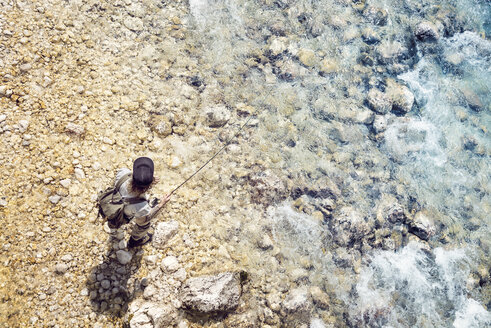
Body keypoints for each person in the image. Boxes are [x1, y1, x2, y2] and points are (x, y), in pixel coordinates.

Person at [113, 157, 170, 248]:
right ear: (148, 186)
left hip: (114, 201)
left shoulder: (123, 173)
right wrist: (161, 204)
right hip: (124, 214)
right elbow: (144, 220)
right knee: (144, 225)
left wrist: (148, 181)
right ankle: (135, 241)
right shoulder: (141, 207)